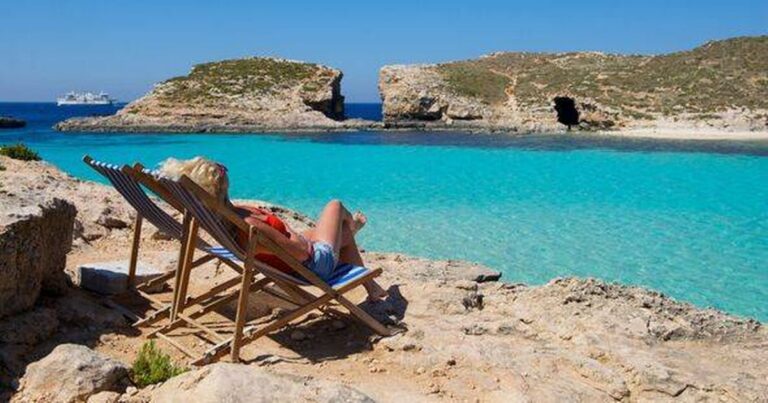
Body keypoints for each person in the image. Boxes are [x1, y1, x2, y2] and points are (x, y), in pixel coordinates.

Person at [159, 156, 388, 301]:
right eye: (220, 170)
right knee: (335, 206)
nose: (223, 170)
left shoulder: (227, 218)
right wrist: (298, 238)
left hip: (291, 260)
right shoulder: (249, 227)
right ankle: (350, 226)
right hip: (315, 265)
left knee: (343, 234)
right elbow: (300, 252)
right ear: (219, 186)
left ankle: (370, 283)